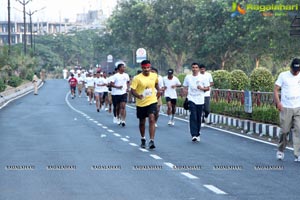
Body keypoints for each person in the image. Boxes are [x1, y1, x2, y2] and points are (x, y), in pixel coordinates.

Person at [274, 58, 300, 162]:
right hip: (286, 108)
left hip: (298, 107)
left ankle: (298, 154)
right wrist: (278, 102)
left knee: (299, 130)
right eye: (294, 70)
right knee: (284, 131)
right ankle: (280, 150)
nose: (296, 72)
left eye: (298, 70)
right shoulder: (283, 75)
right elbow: (275, 89)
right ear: (291, 68)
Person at [130, 60, 160, 149]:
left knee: (151, 118)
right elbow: (132, 90)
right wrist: (138, 96)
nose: (146, 69)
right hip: (141, 103)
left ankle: (151, 140)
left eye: (148, 68)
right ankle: (143, 138)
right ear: (142, 68)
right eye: (144, 68)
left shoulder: (154, 76)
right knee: (142, 122)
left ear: (150, 67)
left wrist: (159, 90)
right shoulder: (137, 78)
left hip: (152, 100)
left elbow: (156, 84)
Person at [182, 63, 210, 142]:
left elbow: (208, 88)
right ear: (191, 69)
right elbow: (185, 87)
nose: (194, 69)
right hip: (191, 98)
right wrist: (185, 94)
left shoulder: (203, 77)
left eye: (196, 67)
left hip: (200, 99)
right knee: (193, 116)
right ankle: (194, 134)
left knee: (198, 117)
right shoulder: (188, 77)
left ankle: (198, 133)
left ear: (198, 69)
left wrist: (202, 88)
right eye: (193, 67)